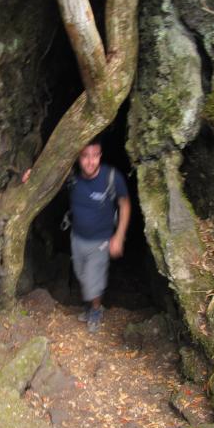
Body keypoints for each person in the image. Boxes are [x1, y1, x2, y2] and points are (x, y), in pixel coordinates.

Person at [22, 138, 131, 333]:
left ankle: (95, 310)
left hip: (101, 241)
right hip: (77, 238)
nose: (90, 161)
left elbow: (125, 204)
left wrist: (119, 236)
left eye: (95, 156)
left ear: (100, 156)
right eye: (85, 156)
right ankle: (92, 304)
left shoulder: (111, 177)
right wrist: (33, 176)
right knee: (82, 277)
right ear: (78, 158)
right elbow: (48, 180)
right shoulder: (71, 178)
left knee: (92, 280)